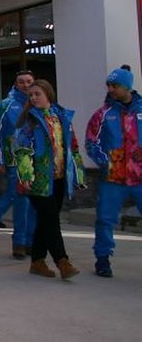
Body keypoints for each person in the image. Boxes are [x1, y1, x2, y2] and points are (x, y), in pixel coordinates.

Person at [14, 79, 84, 280]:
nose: (34, 98)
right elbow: (22, 150)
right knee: (51, 220)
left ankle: (37, 261)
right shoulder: (30, 121)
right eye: (31, 95)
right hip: (39, 180)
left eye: (37, 94)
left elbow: (73, 147)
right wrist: (26, 175)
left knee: (46, 221)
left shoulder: (61, 118)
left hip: (59, 177)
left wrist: (78, 173)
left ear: (48, 95)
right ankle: (63, 261)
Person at [84, 65, 142, 278]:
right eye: (109, 85)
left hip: (139, 177)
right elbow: (91, 141)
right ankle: (102, 258)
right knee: (105, 219)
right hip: (112, 178)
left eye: (115, 85)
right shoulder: (103, 114)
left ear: (127, 86)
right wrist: (106, 162)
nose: (111, 89)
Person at [0, 70, 37, 258]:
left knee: (35, 203)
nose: (26, 85)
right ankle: (19, 242)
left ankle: (32, 241)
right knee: (21, 203)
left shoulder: (39, 103)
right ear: (16, 84)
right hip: (15, 161)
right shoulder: (6, 105)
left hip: (38, 161)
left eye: (29, 81)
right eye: (22, 82)